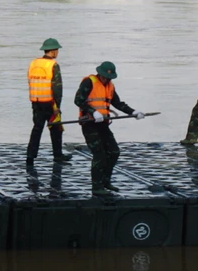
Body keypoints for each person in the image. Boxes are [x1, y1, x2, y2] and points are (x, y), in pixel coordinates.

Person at [74, 62, 145, 196]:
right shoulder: (89, 82)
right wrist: (93, 112)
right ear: (100, 74)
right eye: (105, 77)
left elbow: (117, 103)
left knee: (114, 151)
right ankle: (96, 187)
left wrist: (133, 112)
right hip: (89, 123)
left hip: (103, 123)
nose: (107, 79)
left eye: (109, 78)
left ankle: (105, 181)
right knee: (99, 154)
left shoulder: (110, 86)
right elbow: (78, 100)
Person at [27, 38, 71, 167]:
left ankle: (30, 156)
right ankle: (58, 156)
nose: (57, 52)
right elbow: (57, 87)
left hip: (36, 102)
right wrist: (57, 106)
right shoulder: (53, 65)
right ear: (53, 51)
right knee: (56, 129)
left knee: (37, 129)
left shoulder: (33, 63)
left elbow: (30, 81)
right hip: (50, 103)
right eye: (57, 50)